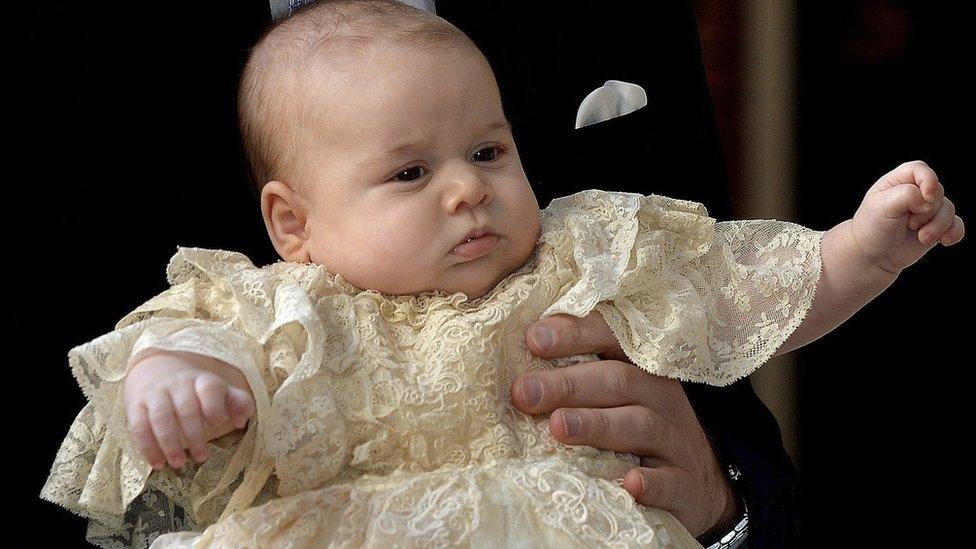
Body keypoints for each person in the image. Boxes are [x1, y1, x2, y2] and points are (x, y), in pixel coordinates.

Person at [39, 1, 963, 547]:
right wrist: (183, 379)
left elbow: (745, 292)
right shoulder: (284, 302)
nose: (465, 193)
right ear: (293, 224)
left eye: (488, 150)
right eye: (410, 173)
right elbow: (178, 337)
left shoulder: (577, 251)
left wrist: (861, 246)